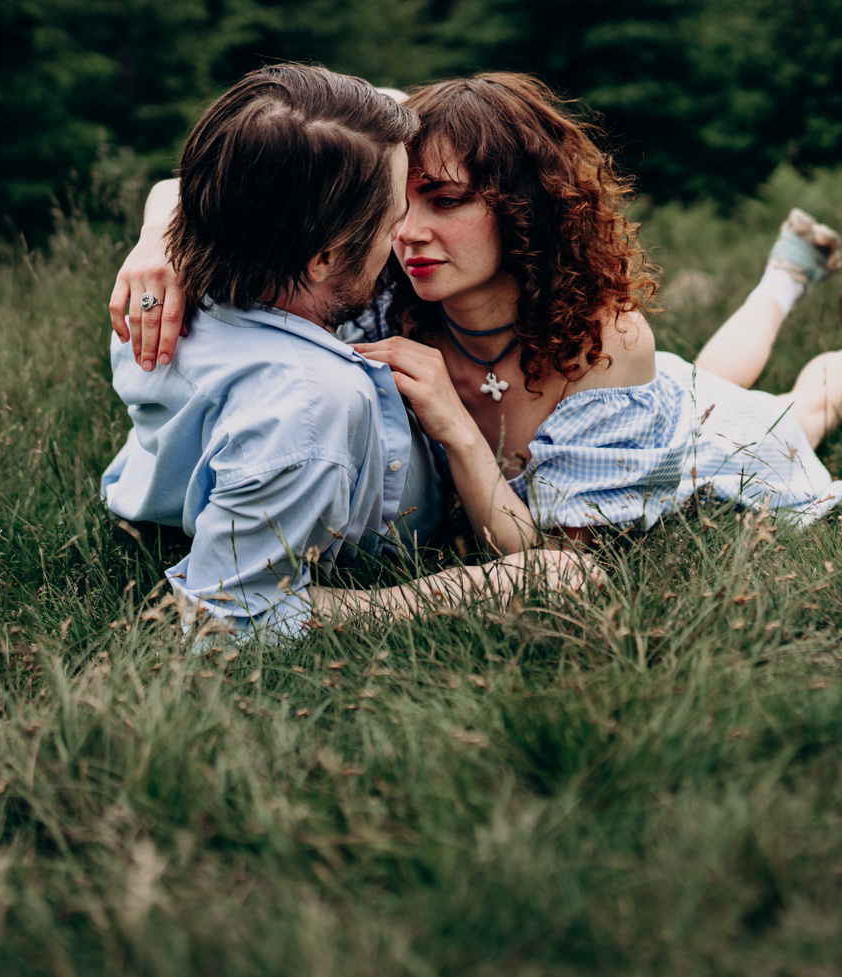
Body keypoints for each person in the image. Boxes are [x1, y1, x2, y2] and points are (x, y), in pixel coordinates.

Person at [110, 72, 842, 554]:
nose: (407, 231)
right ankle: (787, 273)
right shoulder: (382, 273)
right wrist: (158, 240)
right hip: (642, 389)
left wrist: (458, 430)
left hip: (674, 441)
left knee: (792, 412)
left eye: (446, 201)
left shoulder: (606, 342)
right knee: (711, 372)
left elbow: (552, 555)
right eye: (401, 201)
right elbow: (252, 162)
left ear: (524, 208)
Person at [99, 65, 601, 643]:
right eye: (391, 221)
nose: (404, 236)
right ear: (324, 258)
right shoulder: (306, 406)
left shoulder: (164, 297)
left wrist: (161, 232)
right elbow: (225, 618)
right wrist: (460, 589)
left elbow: (289, 137)